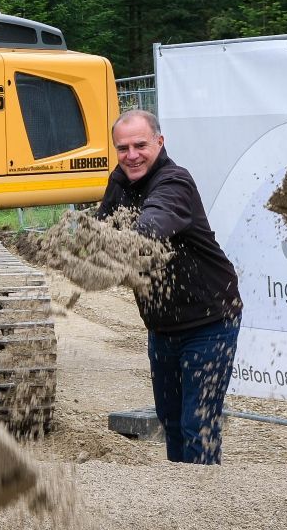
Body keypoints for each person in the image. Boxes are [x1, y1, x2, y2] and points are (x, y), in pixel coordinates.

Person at [96, 109, 243, 465]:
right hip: (162, 326)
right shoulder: (120, 180)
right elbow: (101, 227)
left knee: (198, 423)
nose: (131, 155)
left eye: (140, 145)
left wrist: (116, 245)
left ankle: (205, 503)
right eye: (123, 147)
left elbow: (152, 224)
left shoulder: (174, 181)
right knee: (171, 420)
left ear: (159, 143)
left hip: (210, 321)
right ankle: (181, 501)